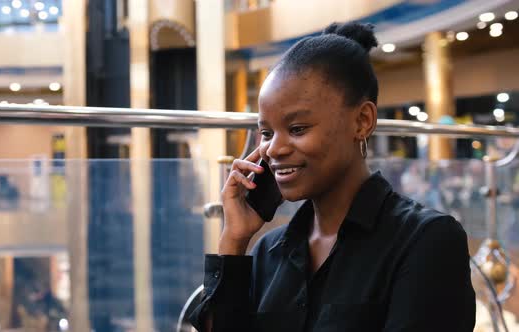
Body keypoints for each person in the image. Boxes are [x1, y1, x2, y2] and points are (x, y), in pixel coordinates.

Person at [189, 21, 475, 331]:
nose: (274, 149)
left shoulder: (425, 240)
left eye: (297, 129)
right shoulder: (268, 253)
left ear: (362, 121)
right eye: (266, 132)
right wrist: (234, 238)